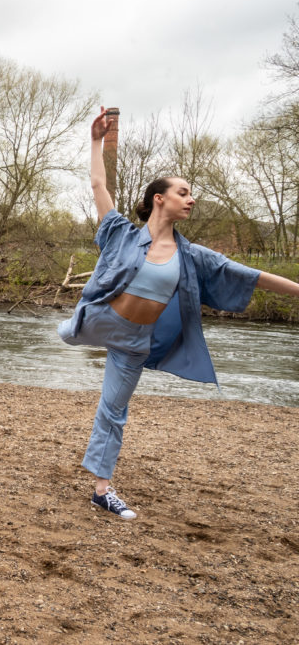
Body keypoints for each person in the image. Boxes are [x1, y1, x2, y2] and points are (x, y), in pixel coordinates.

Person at [58, 107, 299, 519]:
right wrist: (95, 139)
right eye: (183, 192)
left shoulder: (192, 255)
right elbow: (98, 183)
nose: (192, 199)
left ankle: (102, 489)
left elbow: (249, 274)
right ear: (159, 198)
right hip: (101, 321)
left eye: (191, 194)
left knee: (114, 410)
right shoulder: (119, 233)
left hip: (136, 341)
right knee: (67, 333)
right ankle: (69, 326)